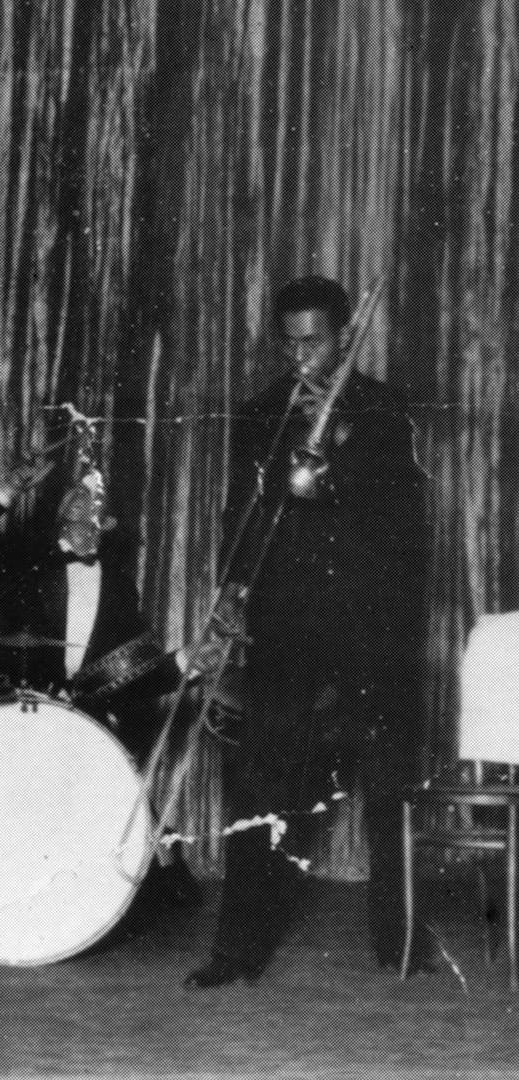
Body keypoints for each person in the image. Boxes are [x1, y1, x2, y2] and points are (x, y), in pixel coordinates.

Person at [183, 275, 429, 989]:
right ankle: (237, 953)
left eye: (314, 342)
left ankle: (401, 939)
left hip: (368, 629)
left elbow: (406, 528)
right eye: (289, 344)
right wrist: (231, 591)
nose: (301, 359)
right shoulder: (260, 412)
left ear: (345, 336)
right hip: (286, 626)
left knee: (388, 787)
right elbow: (242, 516)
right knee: (260, 786)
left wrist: (342, 461)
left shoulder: (384, 409)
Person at [0, 452, 196, 915]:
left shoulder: (118, 586)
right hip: (8, 717)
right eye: (72, 489)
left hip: (81, 726)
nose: (79, 492)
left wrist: (192, 660)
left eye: (93, 492)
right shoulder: (19, 561)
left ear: (108, 521)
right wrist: (4, 491)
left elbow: (130, 675)